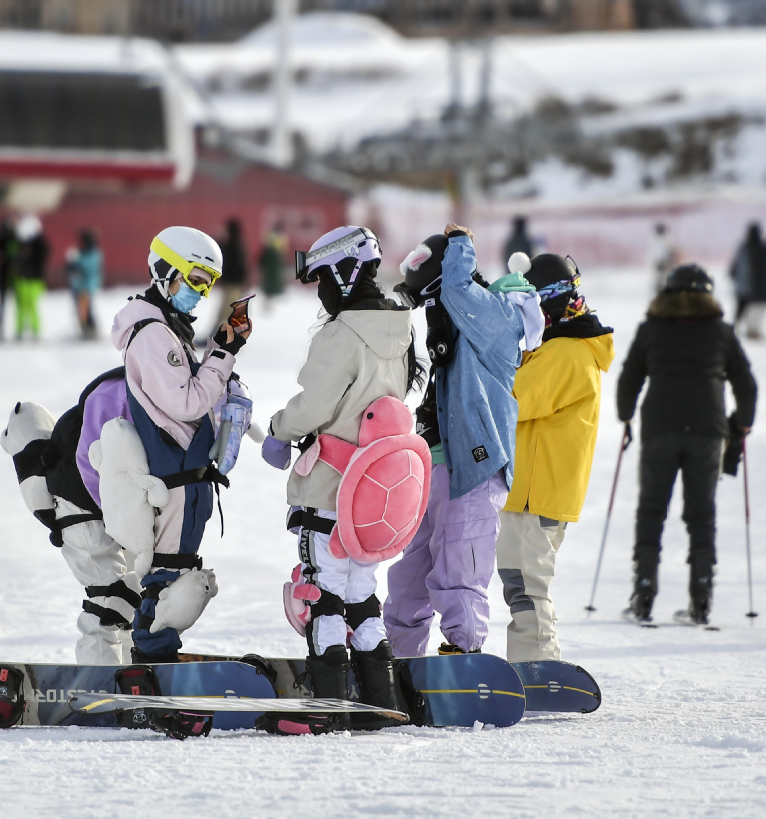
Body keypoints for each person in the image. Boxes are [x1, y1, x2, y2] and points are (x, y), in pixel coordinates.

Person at [261, 224, 421, 734]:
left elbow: (314, 405)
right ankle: (382, 702)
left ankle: (326, 709)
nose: (322, 295)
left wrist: (278, 431)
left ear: (344, 275)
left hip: (330, 490)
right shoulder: (400, 329)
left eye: (324, 281)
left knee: (322, 596)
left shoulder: (341, 334)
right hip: (376, 496)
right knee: (361, 595)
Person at [383, 226, 544, 657]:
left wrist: (459, 242)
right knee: (412, 573)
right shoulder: (455, 314)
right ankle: (399, 658)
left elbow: (456, 287)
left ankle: (464, 653)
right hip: (435, 463)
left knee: (460, 563)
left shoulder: (498, 315)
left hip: (474, 467)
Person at [108, 225, 247, 666]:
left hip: (185, 473)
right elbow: (186, 403)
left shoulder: (168, 329)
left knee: (178, 576)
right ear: (165, 271)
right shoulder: (153, 334)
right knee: (169, 579)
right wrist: (222, 358)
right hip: (175, 475)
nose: (200, 293)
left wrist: (221, 348)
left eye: (207, 285)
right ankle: (151, 662)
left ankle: (156, 657)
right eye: (194, 280)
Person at [617, 264, 757, 625]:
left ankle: (643, 591)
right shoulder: (721, 332)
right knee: (701, 514)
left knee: (651, 509)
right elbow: (747, 385)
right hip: (708, 430)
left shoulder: (651, 329)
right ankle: (702, 597)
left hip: (660, 428)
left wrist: (626, 415)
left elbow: (629, 377)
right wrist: (743, 423)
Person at [496, 253, 614, 663]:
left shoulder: (567, 352)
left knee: (528, 584)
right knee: (519, 582)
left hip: (539, 491)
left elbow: (514, 397)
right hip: (528, 489)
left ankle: (539, 665)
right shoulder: (554, 347)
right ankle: (528, 664)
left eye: (528, 304)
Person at [729, 223, 766, 341]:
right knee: (755, 310)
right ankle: (752, 331)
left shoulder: (744, 248)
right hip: (755, 288)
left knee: (745, 310)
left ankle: (745, 330)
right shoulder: (757, 247)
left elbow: (733, 269)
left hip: (744, 287)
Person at [13, 214, 49, 341]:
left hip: (34, 280)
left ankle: (35, 330)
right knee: (21, 307)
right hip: (22, 279)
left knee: (32, 306)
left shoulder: (39, 245)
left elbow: (44, 253)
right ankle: (20, 330)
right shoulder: (20, 244)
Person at [214, 217, 249, 331]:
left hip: (232, 284)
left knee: (227, 311)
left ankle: (219, 335)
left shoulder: (232, 245)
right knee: (228, 311)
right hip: (236, 284)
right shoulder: (238, 243)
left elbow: (226, 261)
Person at [66, 229, 102, 339]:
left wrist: (75, 263)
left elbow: (87, 268)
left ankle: (90, 331)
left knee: (85, 310)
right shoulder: (83, 253)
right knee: (82, 310)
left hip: (86, 287)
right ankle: (86, 330)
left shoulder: (92, 254)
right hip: (79, 286)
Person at [0, 216, 18, 342]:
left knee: (7, 305)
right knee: (4, 305)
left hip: (10, 275)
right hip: (8, 275)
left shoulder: (11, 239)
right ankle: (2, 329)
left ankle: (11, 330)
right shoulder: (5, 240)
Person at [258, 224, 288, 312]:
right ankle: (269, 307)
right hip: (274, 268)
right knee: (271, 289)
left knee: (269, 290)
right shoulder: (281, 239)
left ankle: (267, 307)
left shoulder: (270, 238)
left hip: (270, 269)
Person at [648, 222, 677, 296]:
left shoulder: (665, 240)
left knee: (662, 279)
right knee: (660, 279)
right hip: (660, 264)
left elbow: (668, 252)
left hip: (663, 264)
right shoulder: (657, 240)